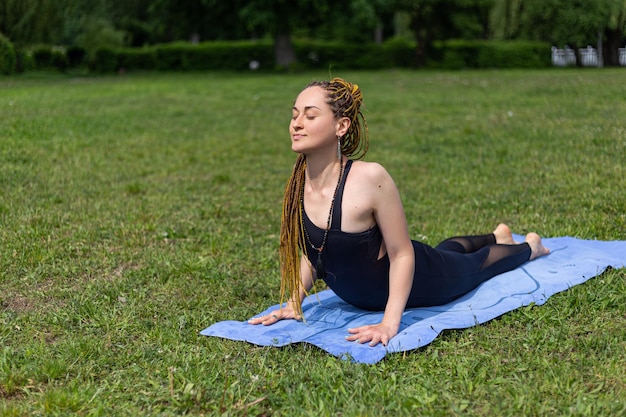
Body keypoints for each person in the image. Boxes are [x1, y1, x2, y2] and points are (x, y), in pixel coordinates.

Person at [248, 78, 550, 347]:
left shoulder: (369, 178)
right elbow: (316, 250)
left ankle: (529, 247)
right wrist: (294, 303)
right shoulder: (297, 184)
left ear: (341, 126)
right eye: (294, 115)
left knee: (475, 265)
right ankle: (497, 234)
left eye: (310, 115)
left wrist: (390, 323)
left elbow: (402, 253)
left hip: (425, 279)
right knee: (448, 252)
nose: (297, 123)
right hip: (366, 295)